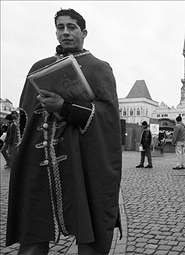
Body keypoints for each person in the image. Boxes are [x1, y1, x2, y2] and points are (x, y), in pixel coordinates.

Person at [6, 9, 122, 255]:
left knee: (88, 228)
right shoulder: (38, 67)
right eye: (61, 27)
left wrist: (66, 107)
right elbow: (25, 117)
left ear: (84, 32)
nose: (66, 32)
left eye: (72, 27)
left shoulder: (98, 68)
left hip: (82, 161)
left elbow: (107, 116)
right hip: (39, 164)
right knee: (33, 231)